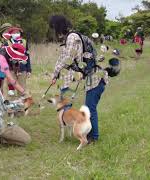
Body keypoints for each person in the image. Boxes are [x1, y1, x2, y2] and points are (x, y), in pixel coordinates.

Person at [49, 15, 109, 144]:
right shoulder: (73, 36)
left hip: (96, 78)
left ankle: (93, 138)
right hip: (92, 76)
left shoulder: (72, 38)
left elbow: (67, 59)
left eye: (54, 28)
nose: (54, 31)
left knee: (90, 108)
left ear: (58, 27)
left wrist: (55, 74)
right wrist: (56, 74)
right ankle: (88, 135)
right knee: (89, 107)